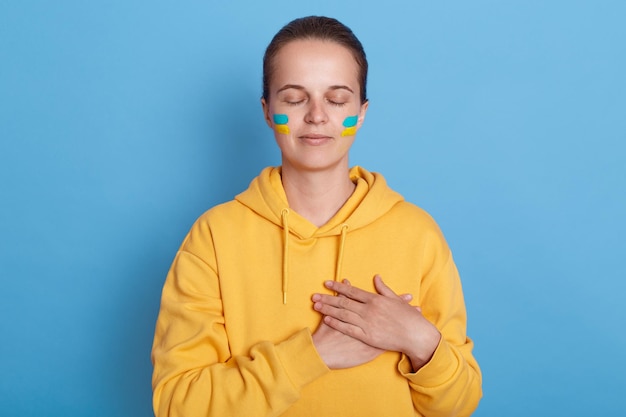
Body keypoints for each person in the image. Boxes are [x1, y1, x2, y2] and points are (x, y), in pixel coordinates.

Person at [151, 16, 482, 417]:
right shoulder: (215, 236)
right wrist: (312, 354)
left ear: (361, 112)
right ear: (268, 110)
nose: (317, 116)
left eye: (337, 99)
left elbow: (459, 404)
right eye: (294, 98)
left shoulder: (417, 233)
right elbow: (176, 405)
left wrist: (419, 340)